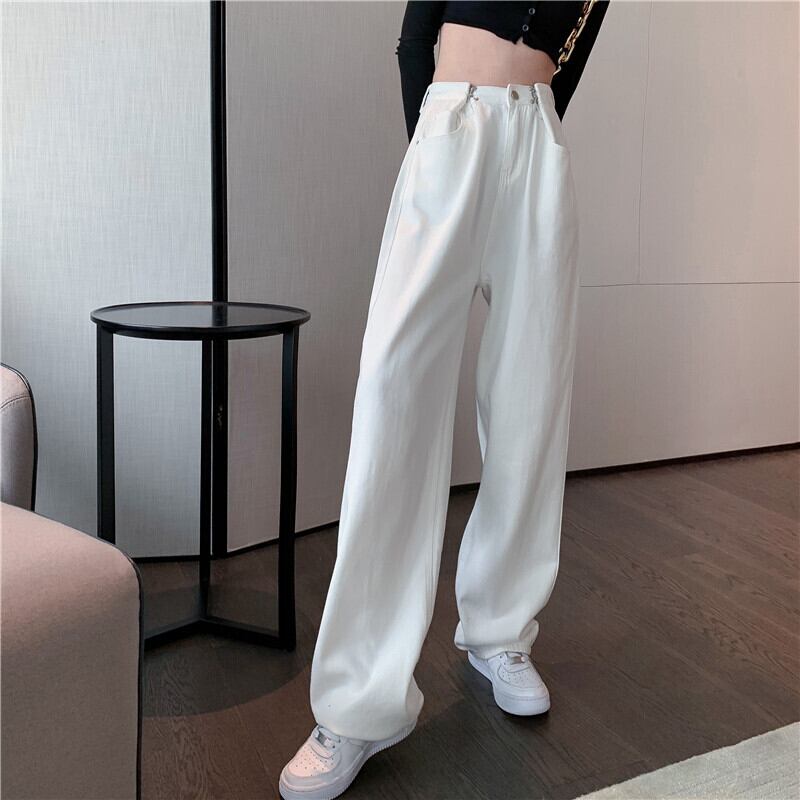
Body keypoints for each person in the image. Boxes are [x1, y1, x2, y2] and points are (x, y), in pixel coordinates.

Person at [280, 3, 610, 799]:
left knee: (532, 399)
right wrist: (435, 145)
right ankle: (358, 702)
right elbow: (413, 38)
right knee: (393, 398)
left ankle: (500, 629)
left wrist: (532, 132)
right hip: (450, 125)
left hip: (539, 139)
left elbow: (572, 56)